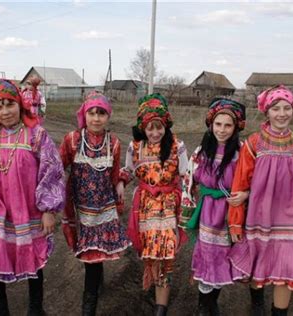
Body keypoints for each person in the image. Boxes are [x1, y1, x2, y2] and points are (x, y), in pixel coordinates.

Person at [228, 85, 293, 316]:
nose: (281, 113)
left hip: (291, 217)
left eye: (286, 108)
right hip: (259, 215)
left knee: (286, 268)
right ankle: (257, 303)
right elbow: (240, 183)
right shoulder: (254, 143)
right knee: (258, 262)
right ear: (267, 112)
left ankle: (278, 313)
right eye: (276, 108)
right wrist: (235, 219)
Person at [0, 79, 65, 316]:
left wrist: (48, 209)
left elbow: (52, 171)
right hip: (0, 214)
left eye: (9, 104)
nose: (5, 111)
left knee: (33, 261)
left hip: (30, 211)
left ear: (19, 104)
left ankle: (36, 310)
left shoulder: (37, 135)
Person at [59, 91, 130, 316]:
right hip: (81, 208)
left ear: (108, 116)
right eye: (92, 112)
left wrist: (119, 182)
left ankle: (88, 307)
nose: (96, 118)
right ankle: (96, 285)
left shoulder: (114, 143)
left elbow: (115, 171)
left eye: (101, 113)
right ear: (84, 114)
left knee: (94, 257)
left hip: (104, 206)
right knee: (91, 256)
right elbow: (58, 166)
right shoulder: (72, 139)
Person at [118, 93, 188, 316]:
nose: (155, 133)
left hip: (168, 206)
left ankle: (161, 306)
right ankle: (156, 287)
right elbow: (128, 171)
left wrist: (188, 204)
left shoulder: (177, 146)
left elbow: (187, 176)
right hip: (146, 207)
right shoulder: (135, 147)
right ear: (143, 128)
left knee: (166, 251)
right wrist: (121, 183)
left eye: (159, 127)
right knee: (151, 252)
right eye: (150, 128)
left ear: (166, 125)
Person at [180, 98, 248, 316]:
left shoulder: (242, 152)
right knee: (208, 257)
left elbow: (253, 180)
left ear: (236, 127)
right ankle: (204, 306)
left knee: (223, 258)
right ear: (211, 124)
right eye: (218, 124)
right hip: (208, 213)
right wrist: (187, 211)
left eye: (228, 125)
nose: (222, 130)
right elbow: (189, 181)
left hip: (231, 214)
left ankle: (212, 302)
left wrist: (246, 194)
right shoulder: (202, 151)